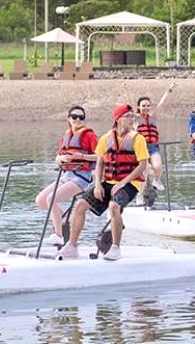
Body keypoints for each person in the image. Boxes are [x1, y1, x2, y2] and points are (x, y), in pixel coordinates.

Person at [56, 104, 149, 260]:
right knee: (80, 205)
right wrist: (98, 184)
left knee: (114, 206)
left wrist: (123, 183)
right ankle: (72, 246)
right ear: (118, 119)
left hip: (130, 184)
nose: (132, 119)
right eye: (128, 116)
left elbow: (142, 165)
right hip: (108, 182)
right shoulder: (106, 139)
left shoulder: (137, 139)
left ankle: (115, 248)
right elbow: (100, 162)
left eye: (133, 116)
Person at [35, 106, 98, 245]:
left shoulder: (89, 135)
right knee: (40, 200)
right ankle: (67, 220)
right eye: (74, 117)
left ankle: (58, 234)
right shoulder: (66, 135)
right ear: (69, 118)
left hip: (81, 177)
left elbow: (101, 156)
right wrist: (60, 159)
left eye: (81, 117)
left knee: (51, 199)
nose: (77, 120)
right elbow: (58, 156)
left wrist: (81, 156)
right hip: (66, 175)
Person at [134, 82, 176, 204]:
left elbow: (161, 104)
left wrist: (168, 91)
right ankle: (139, 196)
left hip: (153, 147)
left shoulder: (153, 117)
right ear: (139, 107)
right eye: (143, 106)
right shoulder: (136, 118)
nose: (146, 108)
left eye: (148, 105)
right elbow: (130, 102)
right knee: (145, 170)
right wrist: (125, 89)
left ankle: (156, 180)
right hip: (141, 148)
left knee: (157, 167)